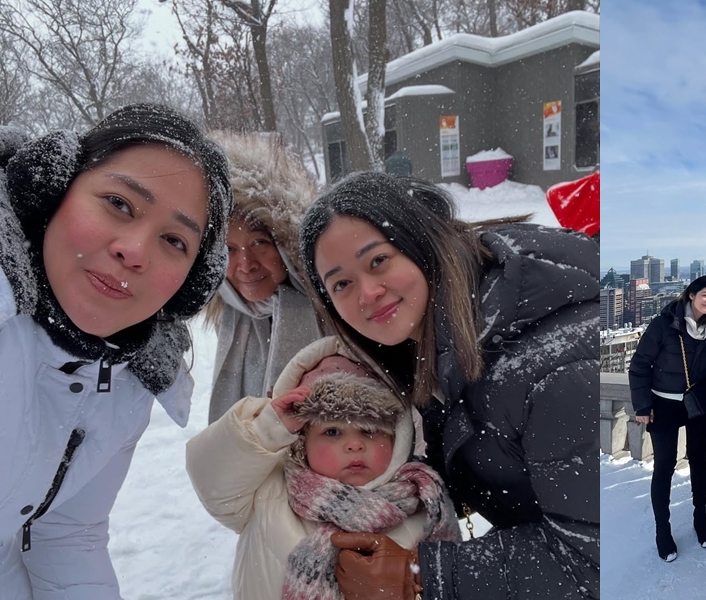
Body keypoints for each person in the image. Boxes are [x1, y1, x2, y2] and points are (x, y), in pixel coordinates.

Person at [297, 172, 599, 598]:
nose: (367, 292)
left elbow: (593, 561)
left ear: (422, 244)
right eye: (341, 283)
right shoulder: (438, 341)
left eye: (378, 260)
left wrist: (418, 575)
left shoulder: (554, 365)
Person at [0, 104, 231, 597]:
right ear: (53, 188)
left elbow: (66, 534)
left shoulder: (127, 383)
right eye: (120, 203)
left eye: (174, 240)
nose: (135, 250)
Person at [186, 336, 459, 600]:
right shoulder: (268, 489)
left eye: (369, 430)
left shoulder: (423, 505)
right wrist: (268, 428)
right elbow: (212, 480)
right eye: (331, 432)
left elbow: (447, 583)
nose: (354, 445)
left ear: (398, 436)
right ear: (303, 440)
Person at [204, 131, 324, 424]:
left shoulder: (331, 309)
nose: (245, 264)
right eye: (230, 249)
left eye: (259, 243)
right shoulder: (233, 316)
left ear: (286, 245)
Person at [629, 275, 706, 562]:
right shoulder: (664, 324)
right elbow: (639, 365)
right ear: (691, 295)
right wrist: (643, 406)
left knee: (699, 459)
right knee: (665, 465)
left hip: (696, 403)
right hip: (664, 404)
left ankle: (699, 517)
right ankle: (662, 530)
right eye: (705, 295)